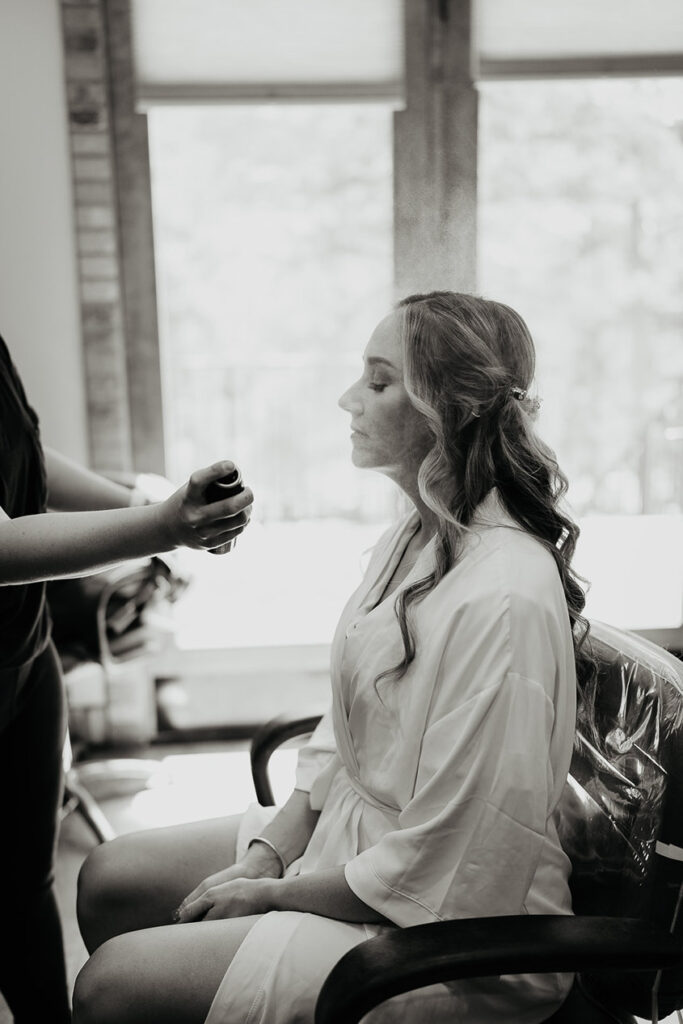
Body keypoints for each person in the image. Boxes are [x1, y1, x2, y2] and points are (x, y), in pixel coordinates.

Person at [72, 291, 592, 1024]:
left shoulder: (501, 595)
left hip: (446, 929)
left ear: (446, 406)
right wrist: (268, 852)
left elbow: (458, 860)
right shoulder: (416, 538)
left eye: (378, 382)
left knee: (110, 986)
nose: (349, 399)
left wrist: (276, 892)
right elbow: (342, 738)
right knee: (110, 877)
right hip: (360, 843)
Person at [0, 332, 253, 1023]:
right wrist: (162, 526)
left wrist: (136, 501)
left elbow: (22, 465)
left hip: (22, 652)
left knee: (23, 886)